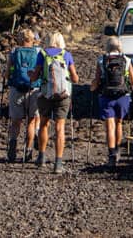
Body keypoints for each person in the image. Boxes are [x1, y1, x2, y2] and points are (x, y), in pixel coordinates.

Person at [29, 31, 79, 174]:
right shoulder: (66, 55)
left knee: (44, 124)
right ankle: (58, 163)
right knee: (59, 127)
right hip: (63, 96)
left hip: (45, 95)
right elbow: (75, 79)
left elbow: (35, 77)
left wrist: (30, 75)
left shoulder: (42, 54)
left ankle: (41, 157)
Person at [91, 36, 133, 168]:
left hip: (106, 96)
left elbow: (97, 81)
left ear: (107, 46)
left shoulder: (102, 60)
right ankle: (117, 151)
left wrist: (93, 87)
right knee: (119, 123)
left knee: (109, 126)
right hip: (123, 96)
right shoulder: (126, 60)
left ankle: (111, 155)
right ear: (119, 47)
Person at [5, 29, 42, 163]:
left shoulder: (14, 52)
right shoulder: (38, 52)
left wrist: (8, 78)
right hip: (34, 89)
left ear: (20, 39)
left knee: (16, 121)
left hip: (17, 89)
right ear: (32, 39)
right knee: (31, 121)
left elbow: (8, 72)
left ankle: (13, 146)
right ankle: (28, 150)